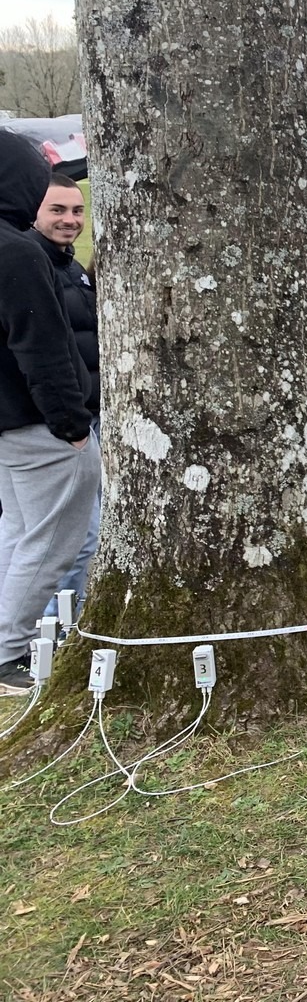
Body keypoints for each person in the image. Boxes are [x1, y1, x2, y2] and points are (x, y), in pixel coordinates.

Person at [0, 133, 98, 694]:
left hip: (8, 424)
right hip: (36, 423)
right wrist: (72, 424)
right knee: (54, 540)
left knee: (16, 532)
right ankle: (9, 651)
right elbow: (41, 346)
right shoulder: (15, 251)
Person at [31, 174, 99, 614]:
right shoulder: (33, 265)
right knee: (71, 538)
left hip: (87, 416)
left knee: (84, 535)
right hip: (58, 425)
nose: (70, 220)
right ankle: (47, 634)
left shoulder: (71, 266)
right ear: (34, 212)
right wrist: (69, 420)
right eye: (57, 210)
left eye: (76, 210)